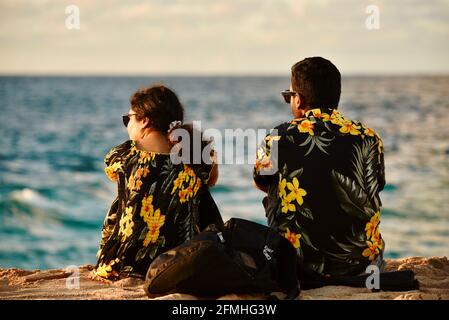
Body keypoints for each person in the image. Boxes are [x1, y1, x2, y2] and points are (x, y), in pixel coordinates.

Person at [253, 57, 386, 287]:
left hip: (298, 266)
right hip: (362, 265)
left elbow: (261, 182)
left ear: (299, 99)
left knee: (274, 188)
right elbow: (376, 186)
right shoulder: (370, 138)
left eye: (289, 96)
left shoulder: (278, 137)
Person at [94, 85, 223, 280]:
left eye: (127, 119)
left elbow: (110, 167)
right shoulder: (194, 158)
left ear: (144, 121)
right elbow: (212, 177)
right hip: (176, 265)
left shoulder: (124, 155)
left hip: (123, 264)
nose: (127, 125)